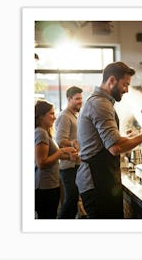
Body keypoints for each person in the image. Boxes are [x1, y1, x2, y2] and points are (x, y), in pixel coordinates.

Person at [76, 61, 142, 219]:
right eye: (125, 85)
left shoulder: (99, 102)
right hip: (97, 183)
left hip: (99, 180)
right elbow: (115, 147)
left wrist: (129, 138)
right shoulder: (100, 104)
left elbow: (105, 142)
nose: (126, 90)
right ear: (111, 80)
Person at [35, 100, 77, 219]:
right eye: (51, 114)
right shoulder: (40, 133)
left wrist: (69, 156)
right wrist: (61, 151)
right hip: (44, 186)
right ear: (41, 116)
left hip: (51, 184)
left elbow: (51, 156)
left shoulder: (46, 133)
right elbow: (41, 163)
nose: (54, 117)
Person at [55, 86, 83, 219]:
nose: (80, 101)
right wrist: (73, 143)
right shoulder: (65, 116)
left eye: (81, 98)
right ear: (69, 99)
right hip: (68, 166)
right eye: (77, 99)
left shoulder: (73, 115)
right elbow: (60, 141)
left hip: (75, 164)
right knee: (71, 200)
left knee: (73, 201)